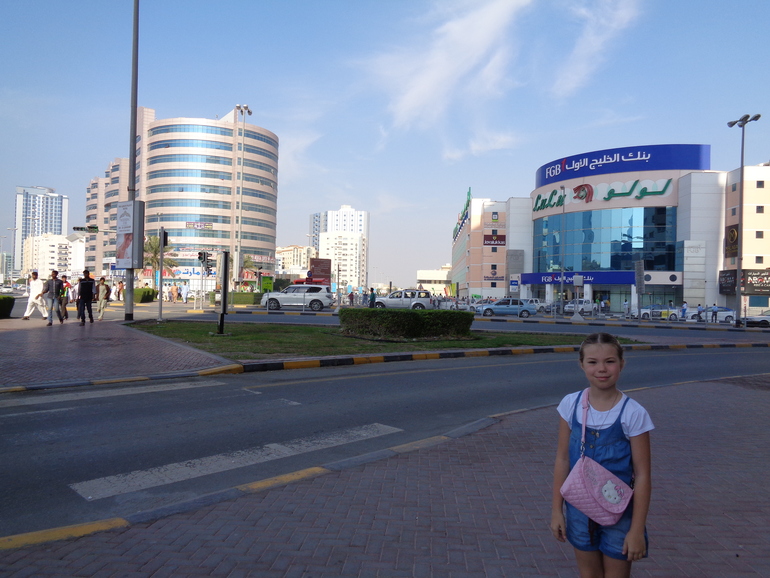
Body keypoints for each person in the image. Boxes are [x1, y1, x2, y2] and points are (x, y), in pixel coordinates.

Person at [551, 332, 653, 576]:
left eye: (610, 361)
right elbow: (562, 459)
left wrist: (636, 530)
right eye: (592, 362)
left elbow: (643, 475)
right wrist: (556, 510)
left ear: (622, 364)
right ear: (581, 364)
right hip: (578, 510)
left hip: (620, 514)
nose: (602, 369)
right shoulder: (570, 405)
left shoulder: (633, 413)